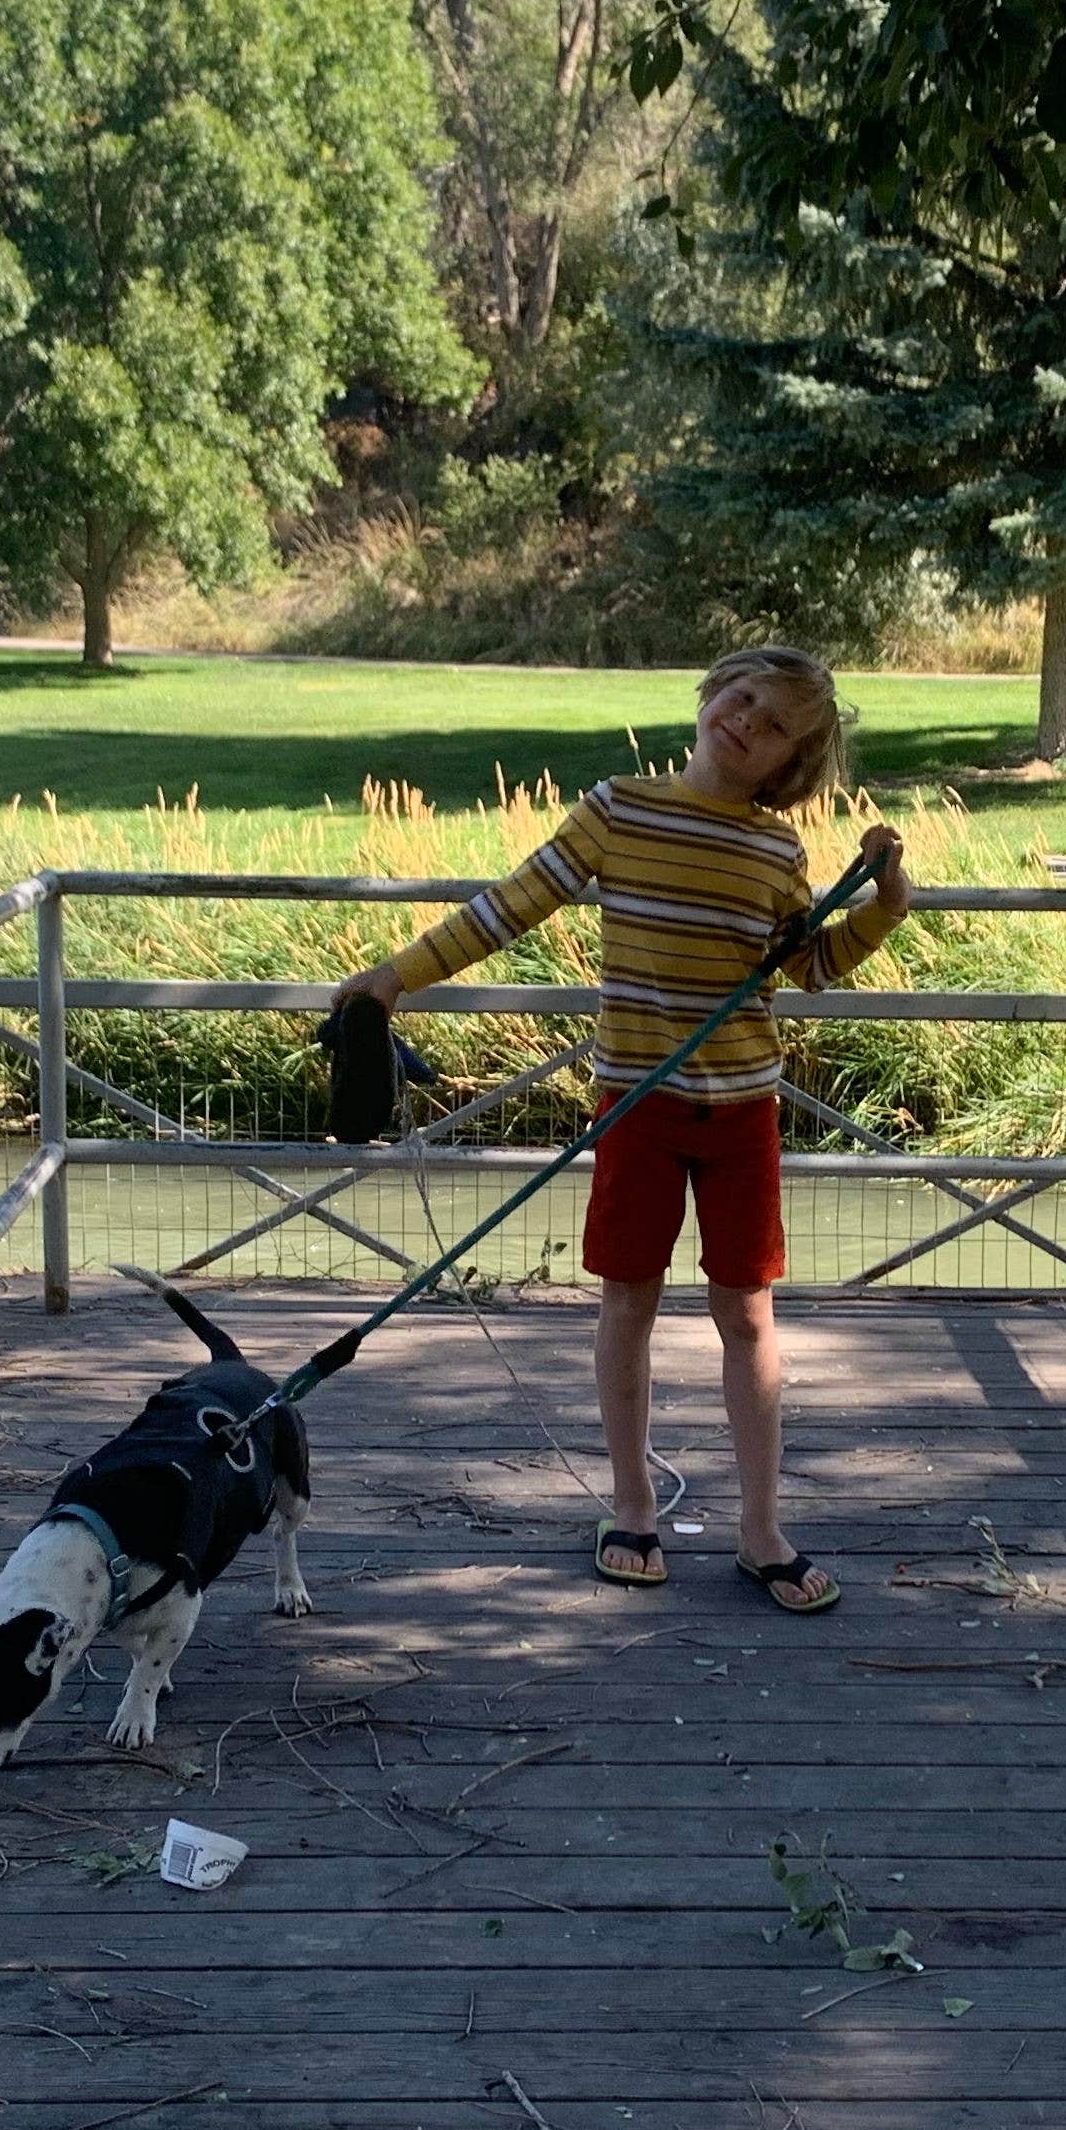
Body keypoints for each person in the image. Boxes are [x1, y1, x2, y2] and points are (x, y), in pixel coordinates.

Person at [330, 645, 912, 1611]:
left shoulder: (776, 853)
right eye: (743, 699)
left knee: (748, 1317)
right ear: (711, 693)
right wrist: (393, 979)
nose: (747, 724)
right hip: (634, 1108)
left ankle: (761, 1529)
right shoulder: (617, 807)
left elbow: (807, 967)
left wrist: (885, 906)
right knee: (627, 1305)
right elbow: (505, 909)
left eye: (775, 727)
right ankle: (634, 1507)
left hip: (744, 1113)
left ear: (789, 764)